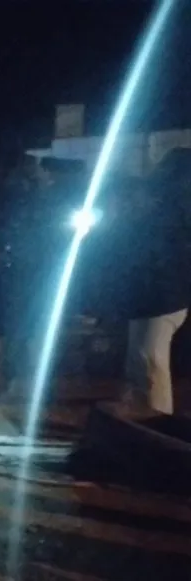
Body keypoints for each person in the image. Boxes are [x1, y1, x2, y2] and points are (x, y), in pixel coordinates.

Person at [102, 148, 191, 416]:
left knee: (149, 362)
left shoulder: (169, 210)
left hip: (161, 295)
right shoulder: (171, 209)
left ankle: (156, 419)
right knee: (143, 362)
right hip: (160, 295)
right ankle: (144, 416)